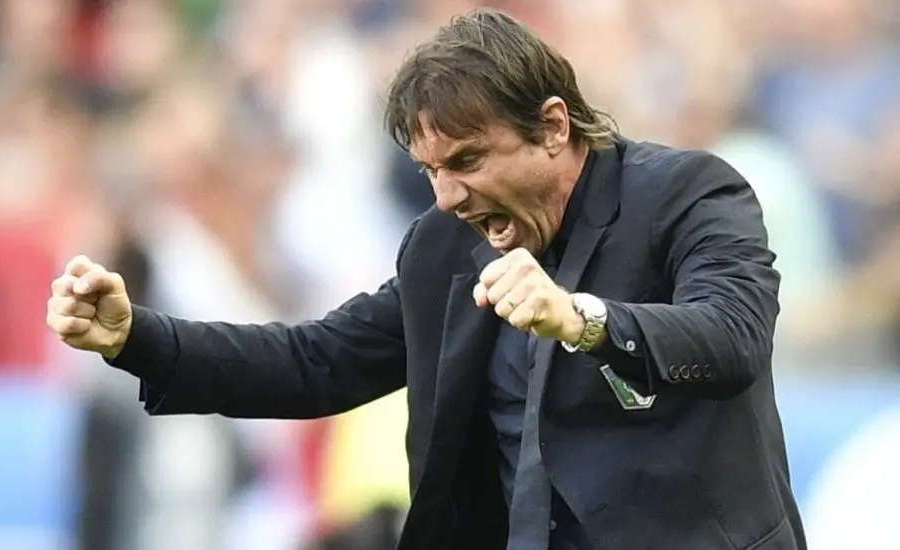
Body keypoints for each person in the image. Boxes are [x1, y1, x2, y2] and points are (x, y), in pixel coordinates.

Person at [46, 8, 806, 550]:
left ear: (552, 126)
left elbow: (732, 336)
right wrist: (136, 338)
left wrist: (585, 320)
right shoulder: (444, 246)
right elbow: (315, 362)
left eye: (468, 161)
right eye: (431, 170)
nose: (447, 196)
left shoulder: (688, 194)